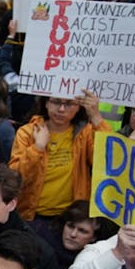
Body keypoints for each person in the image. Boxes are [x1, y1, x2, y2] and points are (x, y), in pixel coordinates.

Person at [8, 90, 108, 246]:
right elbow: (16, 177)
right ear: (46, 103)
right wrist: (38, 148)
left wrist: (96, 117)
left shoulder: (85, 133)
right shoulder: (27, 132)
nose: (61, 109)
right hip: (31, 217)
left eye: (69, 104)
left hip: (69, 221)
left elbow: (107, 159)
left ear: (78, 107)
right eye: (56, 102)